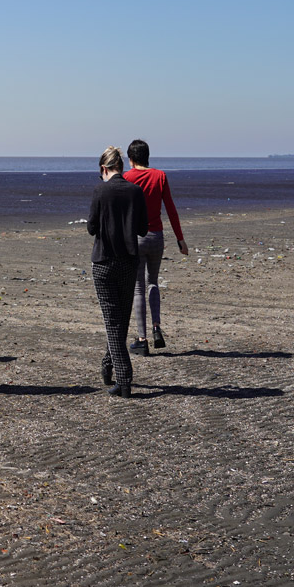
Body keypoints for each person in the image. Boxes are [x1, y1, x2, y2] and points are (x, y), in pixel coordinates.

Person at [87, 147, 148, 398]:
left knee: (113, 322)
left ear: (104, 169)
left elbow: (91, 227)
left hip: (104, 261)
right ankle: (107, 364)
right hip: (128, 261)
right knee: (119, 320)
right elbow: (143, 229)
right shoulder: (135, 191)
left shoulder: (100, 190)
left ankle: (124, 379)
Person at [123, 140, 188, 355]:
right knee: (153, 282)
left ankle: (142, 339)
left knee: (138, 287)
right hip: (156, 237)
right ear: (147, 156)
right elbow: (171, 209)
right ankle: (156, 327)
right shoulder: (160, 176)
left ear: (130, 159)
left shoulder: (127, 178)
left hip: (136, 239)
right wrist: (180, 239)